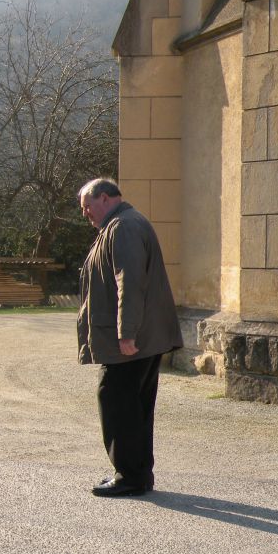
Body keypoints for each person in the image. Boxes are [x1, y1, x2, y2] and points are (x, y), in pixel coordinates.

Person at [77, 178, 182, 497]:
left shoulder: (123, 227)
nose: (85, 214)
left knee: (116, 400)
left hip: (131, 341)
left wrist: (126, 333)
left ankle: (129, 475)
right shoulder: (122, 224)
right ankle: (137, 472)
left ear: (104, 198)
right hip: (143, 337)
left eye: (87, 207)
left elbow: (130, 282)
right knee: (133, 404)